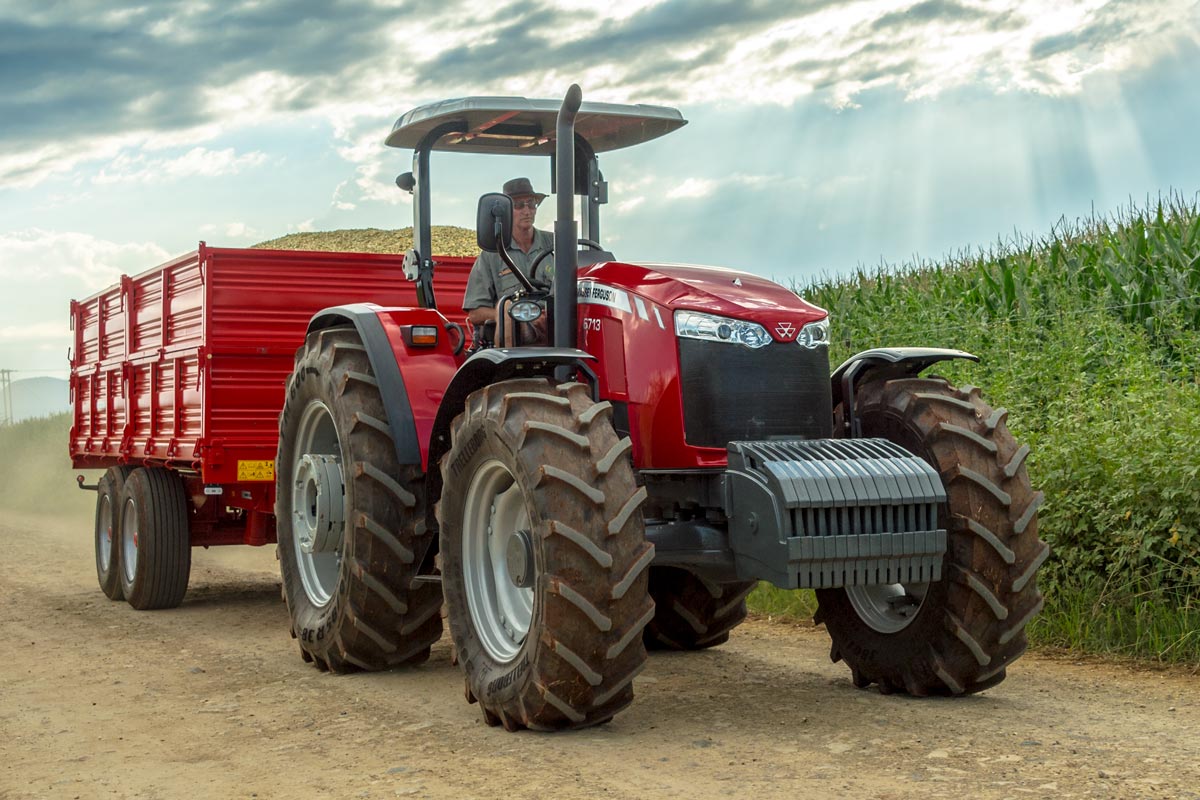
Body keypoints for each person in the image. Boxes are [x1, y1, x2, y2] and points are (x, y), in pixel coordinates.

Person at [462, 177, 555, 329]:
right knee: (507, 313)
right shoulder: (492, 253)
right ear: (505, 211)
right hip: (514, 340)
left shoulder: (555, 245)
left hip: (556, 331)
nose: (527, 211)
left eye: (531, 204)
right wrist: (512, 315)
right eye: (518, 205)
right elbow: (475, 313)